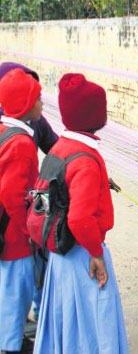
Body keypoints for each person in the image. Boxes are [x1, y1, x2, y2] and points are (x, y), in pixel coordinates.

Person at [32, 73, 129, 354]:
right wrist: (96, 253)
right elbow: (79, 218)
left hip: (61, 255)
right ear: (92, 115)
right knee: (91, 317)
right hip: (82, 255)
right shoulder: (85, 160)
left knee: (67, 319)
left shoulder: (61, 148)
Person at [0, 68, 43, 354]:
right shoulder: (22, 143)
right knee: (16, 292)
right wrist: (29, 230)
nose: (42, 103)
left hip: (7, 230)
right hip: (14, 235)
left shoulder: (6, 132)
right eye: (38, 98)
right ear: (25, 104)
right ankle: (10, 345)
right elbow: (12, 193)